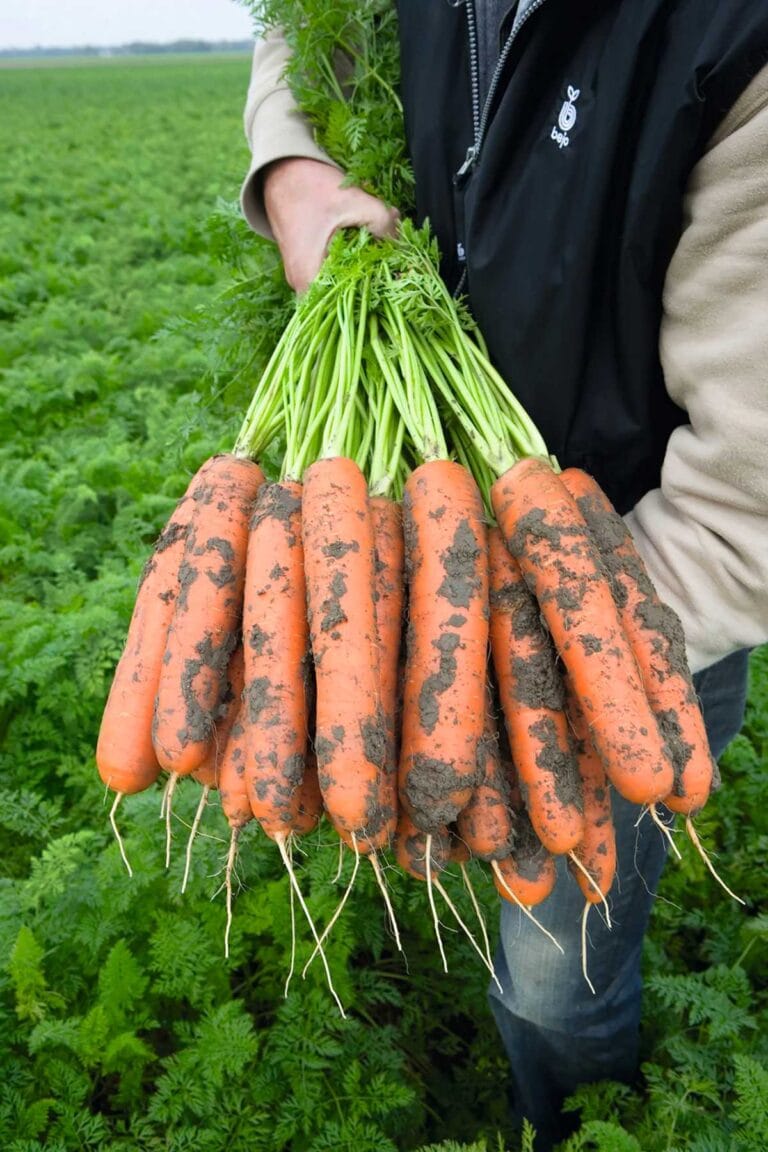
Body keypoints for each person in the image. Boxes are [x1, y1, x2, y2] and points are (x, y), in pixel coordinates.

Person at [239, 5, 768, 1147]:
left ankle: (579, 1124)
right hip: (414, 543)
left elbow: (749, 494)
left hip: (636, 589)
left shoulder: (740, 40)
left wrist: (513, 677)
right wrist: (291, 166)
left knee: (553, 981)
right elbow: (301, 29)